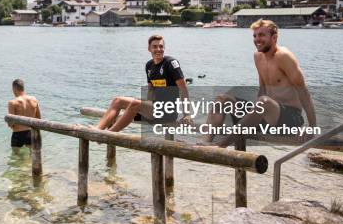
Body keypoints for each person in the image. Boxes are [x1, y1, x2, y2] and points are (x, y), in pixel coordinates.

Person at [202, 19, 316, 147]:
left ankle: (221, 145)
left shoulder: (284, 56)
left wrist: (311, 126)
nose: (257, 39)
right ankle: (205, 144)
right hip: (266, 114)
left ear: (274, 37)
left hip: (290, 117)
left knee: (264, 102)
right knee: (222, 100)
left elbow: (304, 92)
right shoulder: (258, 56)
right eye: (255, 36)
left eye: (262, 35)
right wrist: (252, 114)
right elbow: (263, 88)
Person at [96, 35, 189, 132]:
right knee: (117, 100)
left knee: (135, 103)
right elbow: (151, 89)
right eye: (155, 46)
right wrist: (146, 107)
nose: (158, 49)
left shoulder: (171, 63)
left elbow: (183, 89)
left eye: (161, 46)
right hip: (154, 109)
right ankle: (97, 130)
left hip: (167, 112)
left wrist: (187, 114)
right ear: (149, 49)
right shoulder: (149, 65)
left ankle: (109, 134)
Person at [7, 79, 41, 153]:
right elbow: (39, 118)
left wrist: (10, 125)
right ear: (23, 88)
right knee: (33, 156)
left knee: (16, 159)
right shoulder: (34, 99)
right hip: (31, 132)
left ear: (14, 88)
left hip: (18, 134)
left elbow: (10, 123)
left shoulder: (12, 102)